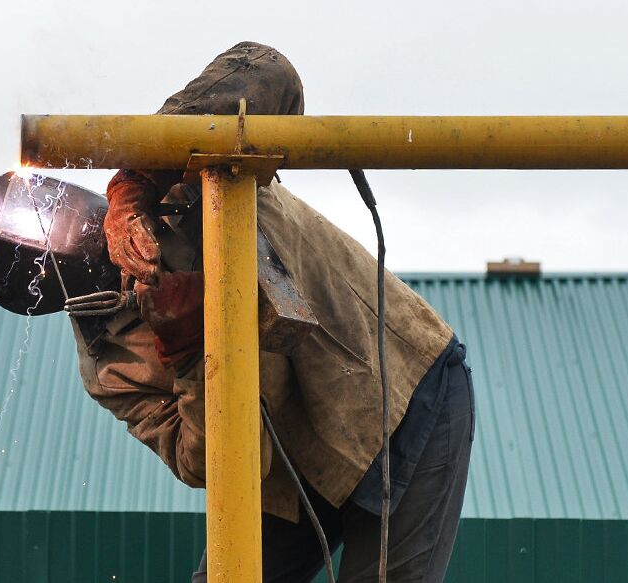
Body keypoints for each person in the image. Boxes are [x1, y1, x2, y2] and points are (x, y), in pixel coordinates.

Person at [76, 42, 474, 582]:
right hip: (290, 468)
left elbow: (267, 68)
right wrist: (190, 350)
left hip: (398, 397)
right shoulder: (110, 366)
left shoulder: (202, 168)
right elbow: (210, 464)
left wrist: (138, 175)